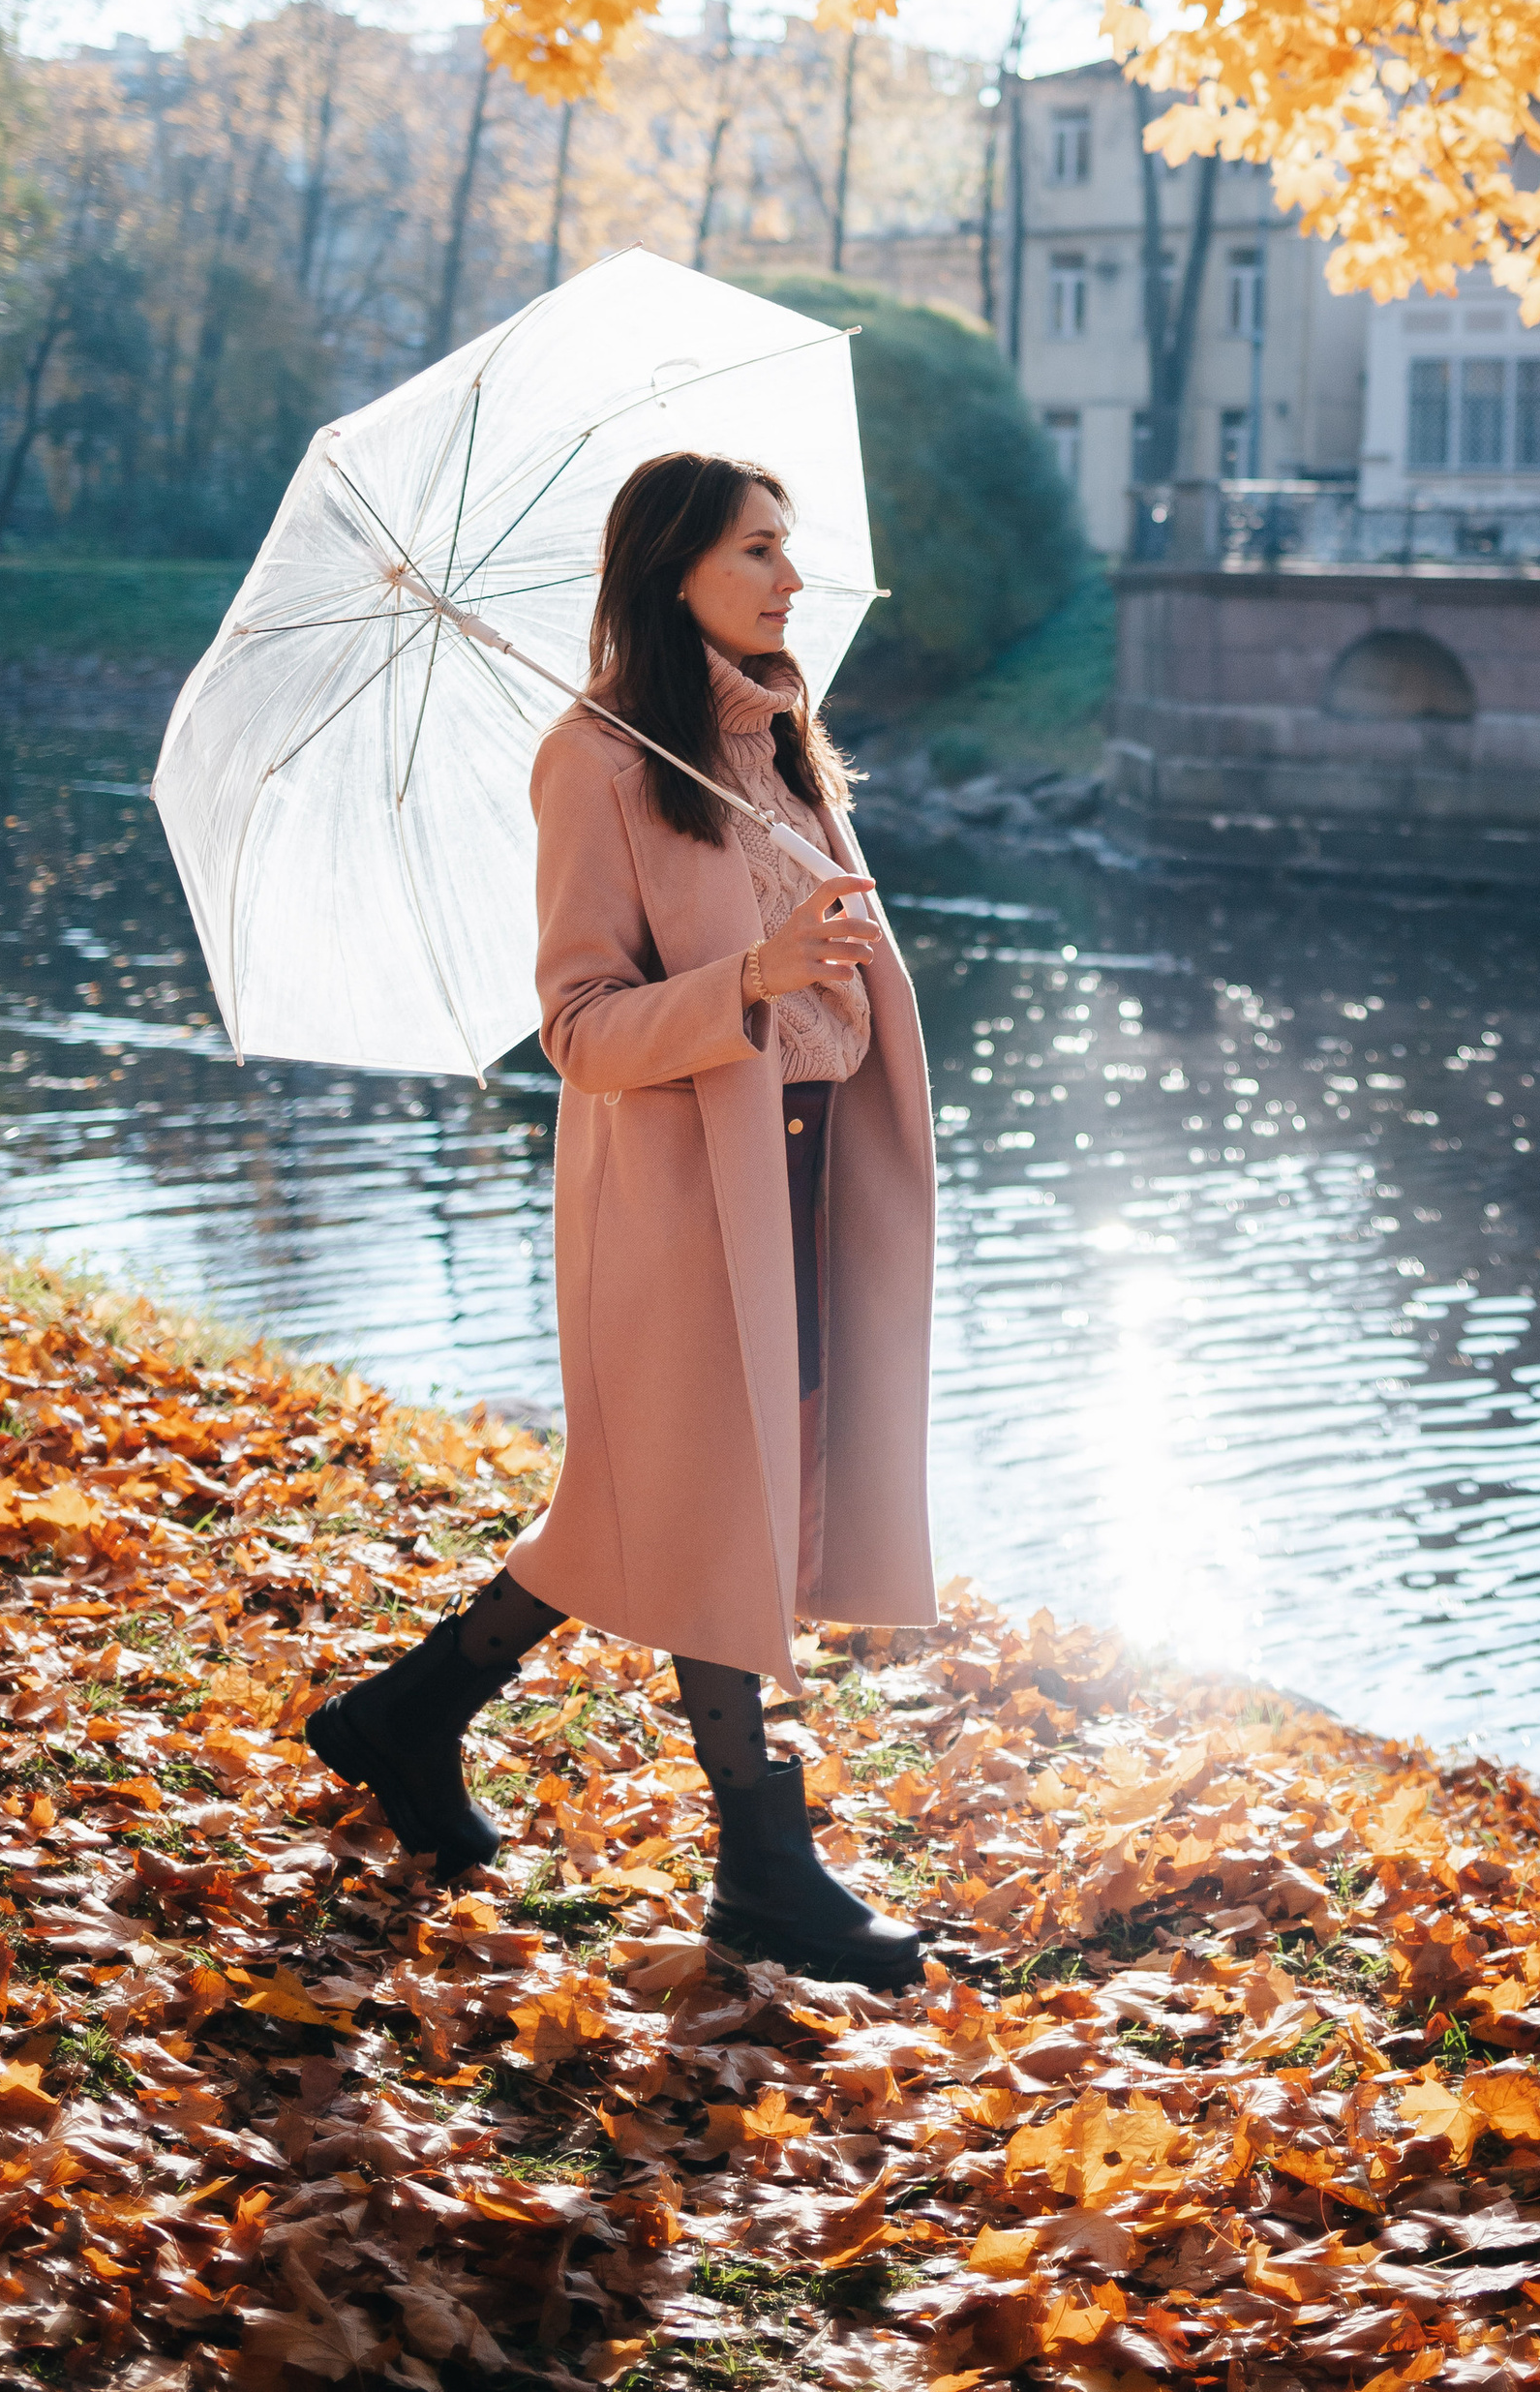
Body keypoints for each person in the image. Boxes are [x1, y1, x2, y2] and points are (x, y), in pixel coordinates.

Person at [305, 449, 936, 1988]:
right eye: (756, 551)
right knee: (710, 1506)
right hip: (677, 1199)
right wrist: (752, 980)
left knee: (643, 1505)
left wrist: (811, 968)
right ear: (672, 573)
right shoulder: (592, 761)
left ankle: (404, 1714)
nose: (791, 579)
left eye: (787, 547)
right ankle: (763, 1870)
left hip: (801, 1180)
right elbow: (581, 1029)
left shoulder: (779, 742)